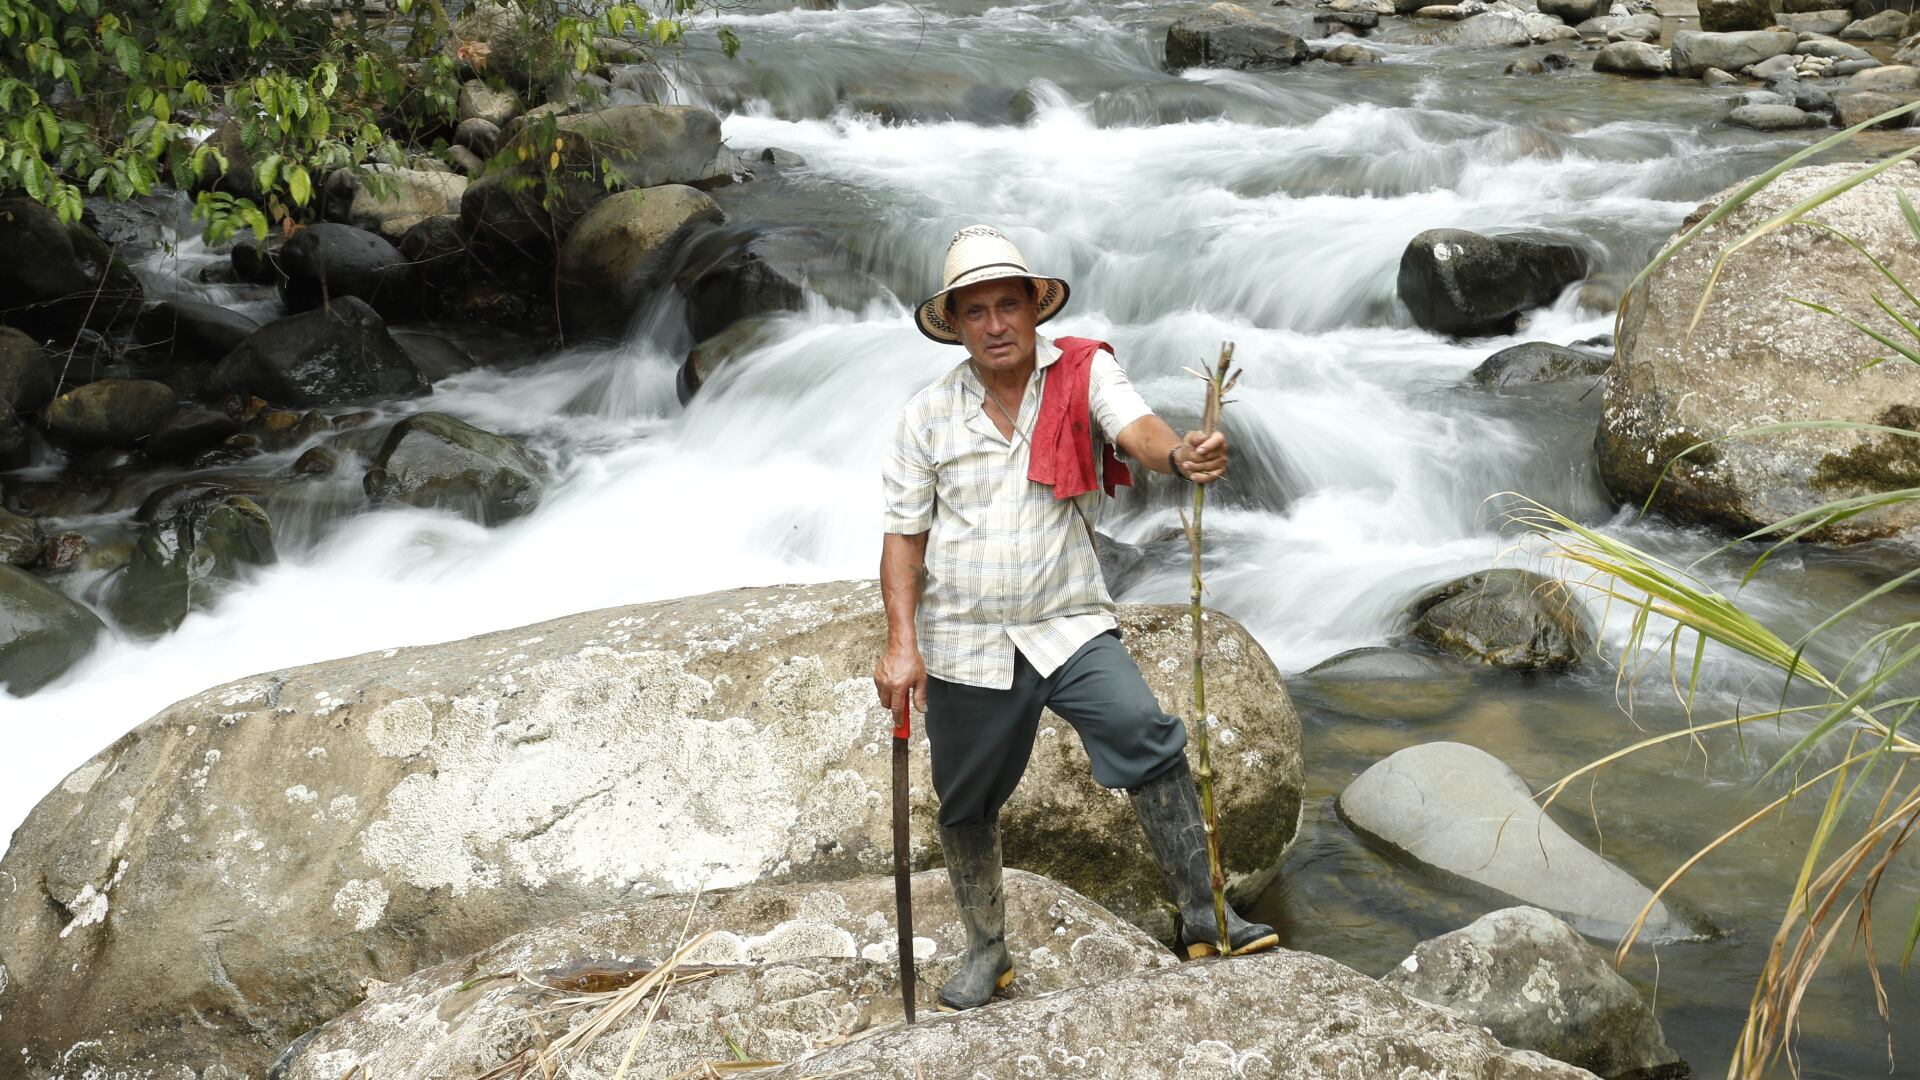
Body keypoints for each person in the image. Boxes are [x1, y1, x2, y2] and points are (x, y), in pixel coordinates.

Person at [873, 224, 1277, 1013]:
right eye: (976, 311)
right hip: (966, 639)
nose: (995, 324)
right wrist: (900, 644)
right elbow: (902, 537)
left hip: (1067, 618)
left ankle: (1205, 915)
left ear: (1035, 309)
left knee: (1145, 735)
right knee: (966, 800)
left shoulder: (1083, 374)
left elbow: (1137, 427)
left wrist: (1179, 454)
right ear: (954, 326)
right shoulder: (925, 417)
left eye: (1008, 305)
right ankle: (988, 952)